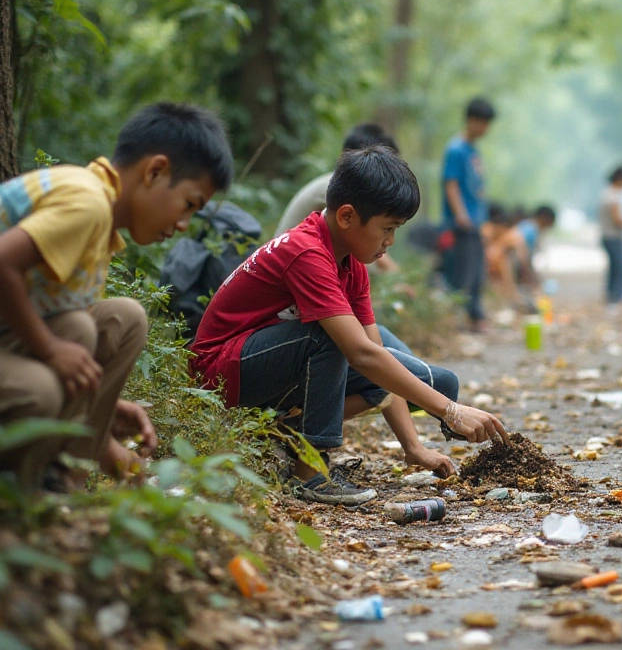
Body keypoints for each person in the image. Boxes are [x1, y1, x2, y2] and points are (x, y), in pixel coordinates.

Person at [192, 146, 507, 506]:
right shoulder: (306, 252)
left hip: (269, 366)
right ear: (346, 216)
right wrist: (450, 412)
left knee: (412, 373)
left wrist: (414, 447)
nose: (390, 241)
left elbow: (376, 358)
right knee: (332, 338)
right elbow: (359, 353)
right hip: (220, 372)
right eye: (386, 229)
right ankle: (309, 472)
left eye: (396, 230)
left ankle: (288, 434)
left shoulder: (350, 263)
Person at [0, 102, 232, 489]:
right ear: (154, 171)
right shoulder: (85, 201)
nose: (182, 224)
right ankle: (20, 496)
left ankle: (64, 466)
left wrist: (102, 411)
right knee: (40, 388)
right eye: (189, 205)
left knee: (118, 319)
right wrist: (48, 350)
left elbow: (68, 327)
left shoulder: (98, 218)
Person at [442, 98, 496, 332]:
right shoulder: (456, 149)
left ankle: (475, 317)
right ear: (471, 120)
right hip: (462, 223)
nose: (485, 128)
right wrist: (461, 215)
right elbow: (451, 184)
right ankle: (457, 320)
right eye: (483, 122)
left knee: (476, 270)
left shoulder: (473, 150)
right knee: (464, 272)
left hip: (476, 221)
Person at [598, 165, 622, 304]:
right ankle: (617, 297)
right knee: (620, 268)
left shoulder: (606, 193)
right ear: (621, 178)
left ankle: (611, 295)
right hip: (614, 237)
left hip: (607, 235)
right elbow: (617, 219)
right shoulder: (614, 195)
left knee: (614, 267)